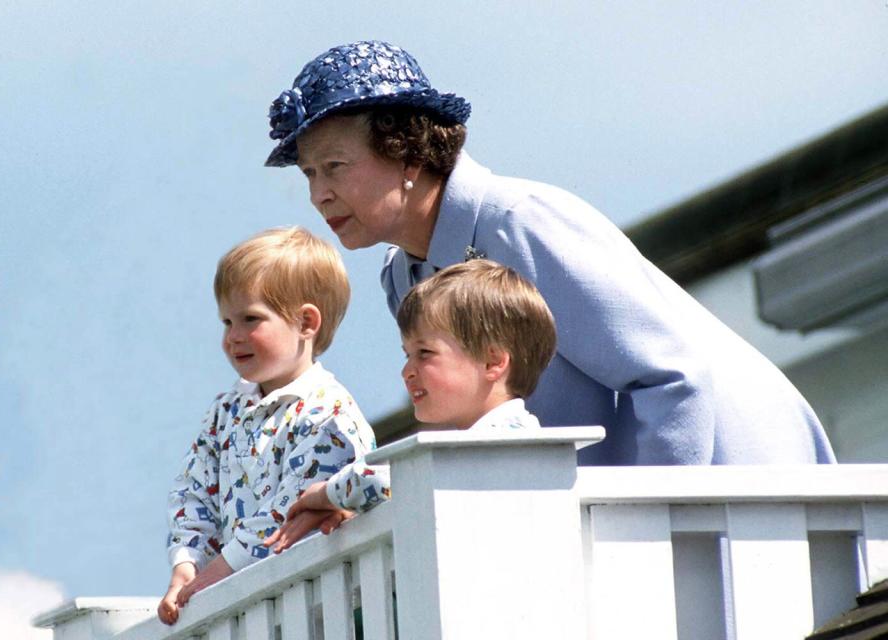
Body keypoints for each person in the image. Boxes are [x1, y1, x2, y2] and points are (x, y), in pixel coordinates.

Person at [263, 40, 836, 466]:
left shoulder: (520, 221)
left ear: (407, 152)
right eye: (309, 174)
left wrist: (644, 538)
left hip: (745, 493)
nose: (319, 194)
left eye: (335, 167)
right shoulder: (403, 275)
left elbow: (672, 377)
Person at [158, 226, 377, 625]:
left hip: (319, 609)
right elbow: (194, 489)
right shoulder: (227, 409)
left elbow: (291, 512)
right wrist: (187, 565)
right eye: (226, 322)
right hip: (245, 609)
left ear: (306, 322)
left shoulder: (328, 413)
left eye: (250, 319)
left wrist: (215, 575)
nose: (233, 337)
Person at [264, 259, 558, 554]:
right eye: (407, 355)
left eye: (425, 353)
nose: (407, 371)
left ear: (492, 362)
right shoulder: (482, 444)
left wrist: (325, 494)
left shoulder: (506, 437)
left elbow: (389, 479)